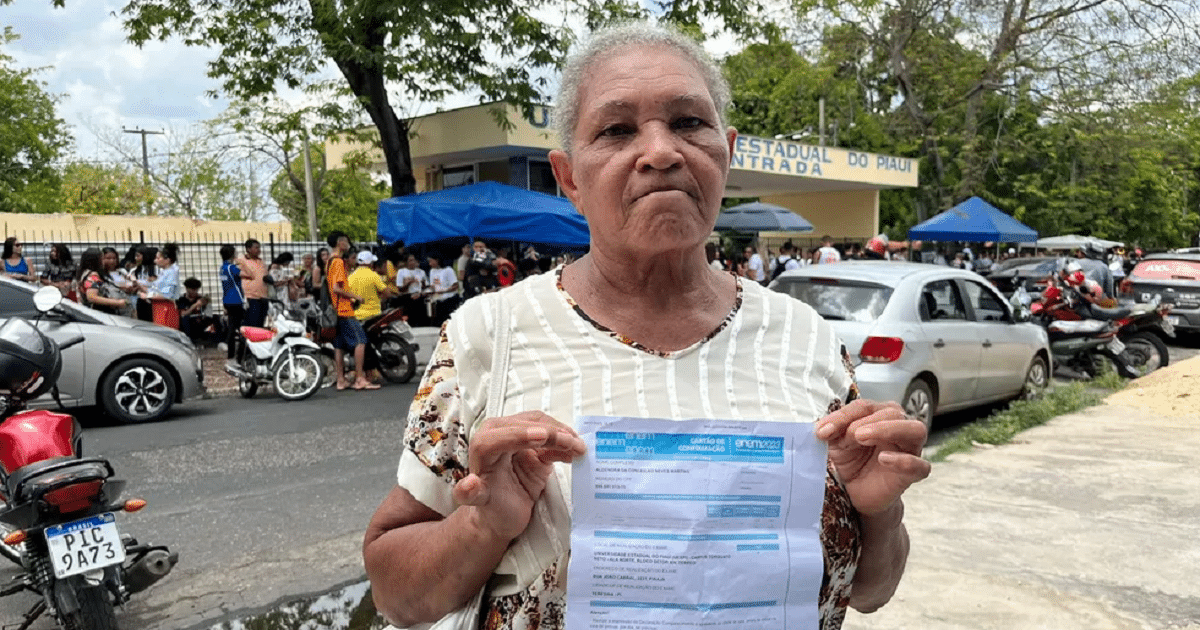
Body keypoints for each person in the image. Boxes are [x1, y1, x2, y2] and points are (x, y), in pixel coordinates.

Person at [363, 23, 928, 630]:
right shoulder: (489, 335)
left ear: (725, 153)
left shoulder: (806, 337)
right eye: (616, 130)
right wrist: (482, 525)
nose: (661, 152)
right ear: (569, 178)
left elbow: (872, 590)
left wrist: (880, 510)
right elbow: (395, 596)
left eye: (688, 122)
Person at [325, 231, 377, 391]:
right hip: (344, 309)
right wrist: (356, 297)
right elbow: (337, 288)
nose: (348, 244)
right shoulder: (338, 261)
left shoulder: (329, 261)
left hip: (336, 310)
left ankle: (341, 380)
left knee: (339, 346)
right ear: (339, 242)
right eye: (346, 241)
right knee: (360, 341)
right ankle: (360, 378)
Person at [77, 248, 131, 315]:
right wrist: (118, 302)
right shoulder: (93, 276)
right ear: (96, 261)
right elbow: (91, 297)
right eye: (102, 259)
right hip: (97, 314)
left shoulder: (86, 273)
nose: (104, 262)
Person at [349, 250, 397, 324]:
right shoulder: (373, 275)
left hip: (356, 317)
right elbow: (387, 293)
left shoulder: (350, 277)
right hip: (373, 316)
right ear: (370, 263)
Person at [219, 245, 245, 366]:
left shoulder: (222, 268)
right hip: (236, 300)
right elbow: (245, 275)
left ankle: (231, 353)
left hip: (227, 300)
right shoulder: (232, 268)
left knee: (232, 325)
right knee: (240, 326)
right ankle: (238, 353)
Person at [238, 239, 270, 328]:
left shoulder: (261, 261)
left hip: (263, 296)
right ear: (248, 249)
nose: (259, 250)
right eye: (256, 248)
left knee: (261, 323)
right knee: (252, 323)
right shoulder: (241, 260)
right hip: (251, 297)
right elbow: (237, 274)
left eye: (259, 248)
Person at [425, 252, 460, 327]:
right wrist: (428, 291)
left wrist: (443, 291)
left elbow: (455, 286)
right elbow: (433, 286)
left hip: (449, 300)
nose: (430, 264)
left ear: (437, 260)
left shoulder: (448, 270)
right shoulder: (432, 271)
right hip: (438, 301)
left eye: (431, 261)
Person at [177, 277, 215, 343]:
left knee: (215, 318)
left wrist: (206, 305)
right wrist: (195, 305)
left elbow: (209, 314)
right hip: (187, 323)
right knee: (186, 319)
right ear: (186, 288)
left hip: (199, 322)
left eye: (196, 289)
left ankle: (213, 341)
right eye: (193, 289)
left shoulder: (201, 298)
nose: (195, 291)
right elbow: (182, 314)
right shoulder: (181, 299)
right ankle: (189, 341)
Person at [394, 254, 428, 325]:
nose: (412, 262)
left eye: (414, 260)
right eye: (410, 260)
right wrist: (408, 283)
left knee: (421, 320)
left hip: (419, 297)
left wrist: (421, 292)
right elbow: (400, 288)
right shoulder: (401, 272)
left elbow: (425, 287)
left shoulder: (421, 272)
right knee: (410, 321)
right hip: (407, 298)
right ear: (406, 262)